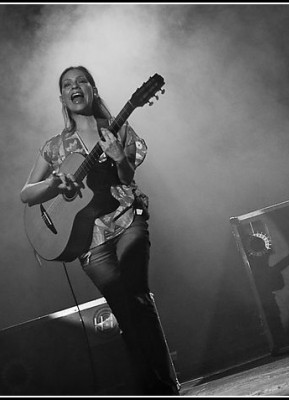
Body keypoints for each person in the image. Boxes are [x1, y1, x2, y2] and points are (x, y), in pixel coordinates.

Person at [20, 66, 180, 395]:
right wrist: (54, 183)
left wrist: (121, 157)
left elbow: (126, 177)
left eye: (82, 81)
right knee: (125, 311)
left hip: (127, 219)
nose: (75, 87)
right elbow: (26, 193)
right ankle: (151, 388)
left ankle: (164, 388)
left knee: (137, 294)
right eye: (67, 84)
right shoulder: (53, 147)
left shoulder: (116, 129)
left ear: (93, 90)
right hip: (89, 242)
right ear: (62, 97)